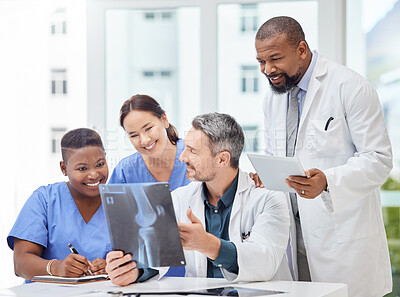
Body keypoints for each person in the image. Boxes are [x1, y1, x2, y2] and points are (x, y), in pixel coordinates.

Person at [253, 16, 392, 297]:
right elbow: (275, 153)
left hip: (341, 242)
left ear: (301, 50)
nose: (268, 70)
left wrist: (327, 181)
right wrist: (265, 177)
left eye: (276, 59)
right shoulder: (273, 97)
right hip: (292, 237)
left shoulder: (350, 87)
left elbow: (379, 159)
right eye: (261, 62)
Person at [105, 112, 292, 286]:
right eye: (185, 148)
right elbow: (157, 255)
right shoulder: (179, 199)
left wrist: (208, 245)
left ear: (222, 160)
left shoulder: (268, 199)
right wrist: (133, 272)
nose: (183, 157)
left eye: (192, 151)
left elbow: (265, 261)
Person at [7, 128, 111, 281]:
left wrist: (113, 266)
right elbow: (20, 263)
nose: (94, 174)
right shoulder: (44, 200)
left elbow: (140, 258)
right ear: (64, 168)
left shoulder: (118, 200)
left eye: (100, 164)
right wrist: (56, 268)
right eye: (82, 168)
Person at [108, 94, 190, 191]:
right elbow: (110, 204)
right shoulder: (125, 172)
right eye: (134, 135)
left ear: (164, 120)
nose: (144, 141)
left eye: (148, 129)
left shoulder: (196, 156)